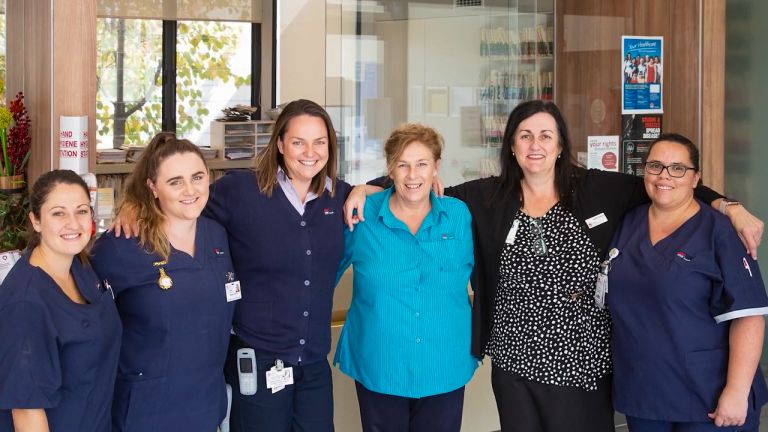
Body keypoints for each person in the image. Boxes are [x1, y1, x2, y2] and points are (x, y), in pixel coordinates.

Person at [344, 100, 764, 432]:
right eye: (525, 135)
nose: (535, 145)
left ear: (561, 144)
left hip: (582, 364)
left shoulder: (599, 189)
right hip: (514, 365)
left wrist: (728, 205)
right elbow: (418, 183)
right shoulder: (489, 197)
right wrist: (367, 187)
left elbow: (667, 183)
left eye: (546, 135)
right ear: (511, 144)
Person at [114, 99, 352, 431]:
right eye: (298, 141)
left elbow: (392, 192)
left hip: (313, 364)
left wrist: (369, 188)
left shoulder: (338, 196)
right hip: (258, 359)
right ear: (280, 144)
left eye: (320, 142)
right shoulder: (241, 191)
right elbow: (183, 199)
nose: (309, 151)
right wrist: (136, 206)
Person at [607, 133, 768, 432]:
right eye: (656, 166)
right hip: (645, 392)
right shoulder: (627, 223)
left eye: (678, 168)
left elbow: (749, 316)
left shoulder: (719, 232)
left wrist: (736, 391)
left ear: (696, 179)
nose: (664, 176)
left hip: (708, 395)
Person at [334, 124, 477, 432]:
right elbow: (321, 275)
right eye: (403, 164)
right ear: (390, 169)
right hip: (381, 364)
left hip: (444, 364)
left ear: (436, 167)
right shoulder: (361, 215)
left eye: (422, 164)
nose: (413, 175)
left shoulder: (459, 216)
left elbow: (486, 280)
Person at [91, 133, 237, 431]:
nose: (190, 190)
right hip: (146, 411)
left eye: (197, 177)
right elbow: (85, 324)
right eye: (175, 182)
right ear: (152, 187)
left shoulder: (217, 236)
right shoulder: (123, 245)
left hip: (206, 407)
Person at [0, 170, 122, 431]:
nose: (73, 223)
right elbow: (27, 409)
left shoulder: (80, 266)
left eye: (81, 211)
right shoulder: (26, 303)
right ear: (36, 221)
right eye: (58, 213)